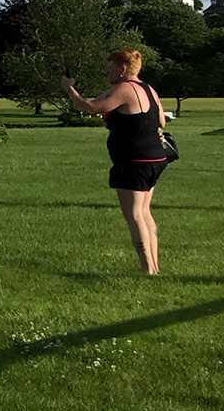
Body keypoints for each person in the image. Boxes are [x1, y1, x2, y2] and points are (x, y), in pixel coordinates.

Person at [63, 50, 169, 276]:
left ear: (123, 70)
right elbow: (161, 120)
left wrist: (69, 88)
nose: (107, 72)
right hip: (155, 158)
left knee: (135, 215)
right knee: (145, 212)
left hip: (134, 160)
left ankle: (147, 269)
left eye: (110, 68)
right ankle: (154, 266)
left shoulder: (124, 89)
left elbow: (90, 107)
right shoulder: (149, 89)